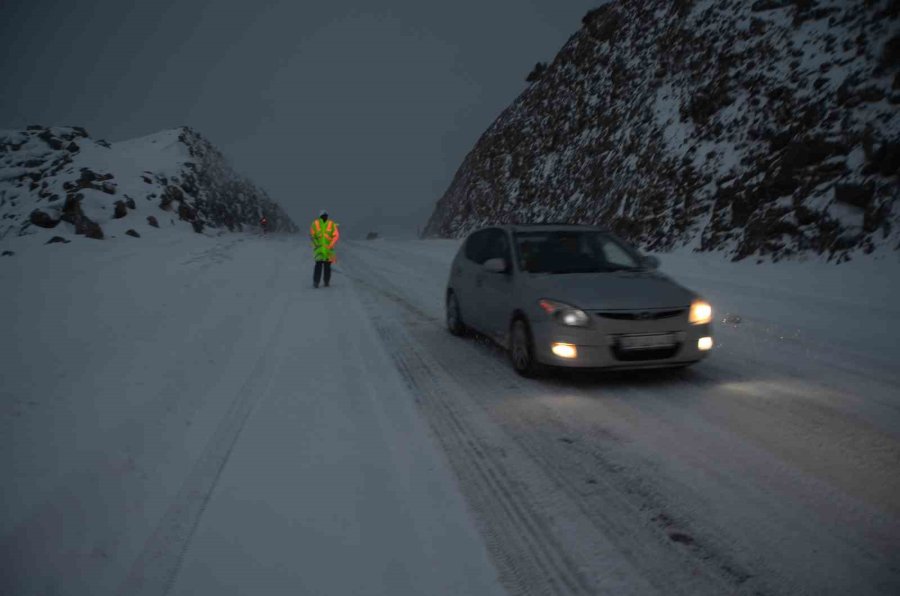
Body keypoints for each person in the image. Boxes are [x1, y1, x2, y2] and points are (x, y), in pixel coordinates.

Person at [310, 210, 339, 288]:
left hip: (328, 250)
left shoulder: (331, 224)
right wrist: (317, 244)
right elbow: (312, 236)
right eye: (323, 216)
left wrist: (331, 245)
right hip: (319, 250)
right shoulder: (315, 224)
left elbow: (335, 236)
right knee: (318, 267)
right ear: (320, 216)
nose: (325, 217)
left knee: (327, 267)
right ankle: (316, 282)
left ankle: (326, 282)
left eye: (326, 216)